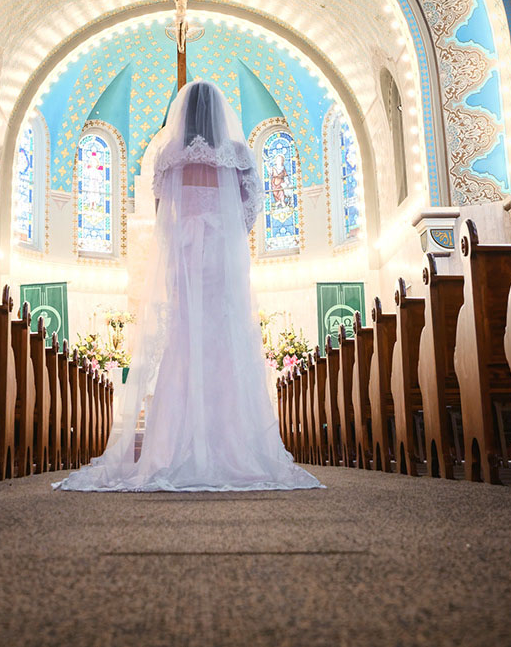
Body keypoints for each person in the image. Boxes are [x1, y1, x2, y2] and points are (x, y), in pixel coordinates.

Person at [55, 80, 323, 492]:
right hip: (220, 253)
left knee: (183, 345)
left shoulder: (167, 155)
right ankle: (232, 447)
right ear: (219, 113)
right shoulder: (238, 154)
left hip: (183, 255)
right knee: (223, 344)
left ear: (183, 114)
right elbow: (250, 210)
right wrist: (225, 228)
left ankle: (173, 448)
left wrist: (190, 228)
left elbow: (162, 211)